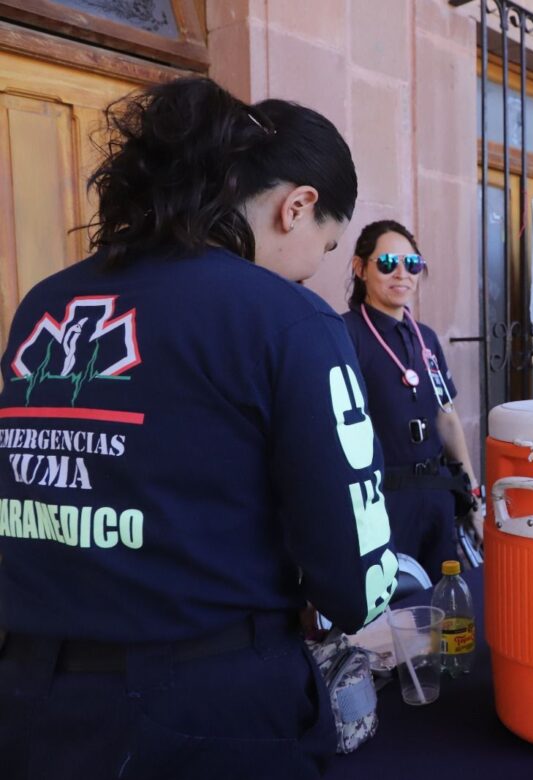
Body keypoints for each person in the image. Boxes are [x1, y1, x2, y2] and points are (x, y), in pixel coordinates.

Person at [0, 77, 398, 780]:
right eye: (327, 246)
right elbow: (354, 583)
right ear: (297, 206)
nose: (312, 273)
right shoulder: (286, 320)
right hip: (206, 711)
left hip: (32, 700)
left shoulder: (45, 302)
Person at [343, 220, 483, 583]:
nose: (401, 274)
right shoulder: (345, 334)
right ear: (360, 268)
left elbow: (448, 419)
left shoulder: (426, 338)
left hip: (436, 494)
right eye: (387, 263)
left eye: (413, 264)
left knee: (443, 601)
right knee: (392, 608)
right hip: (384, 501)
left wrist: (473, 495)